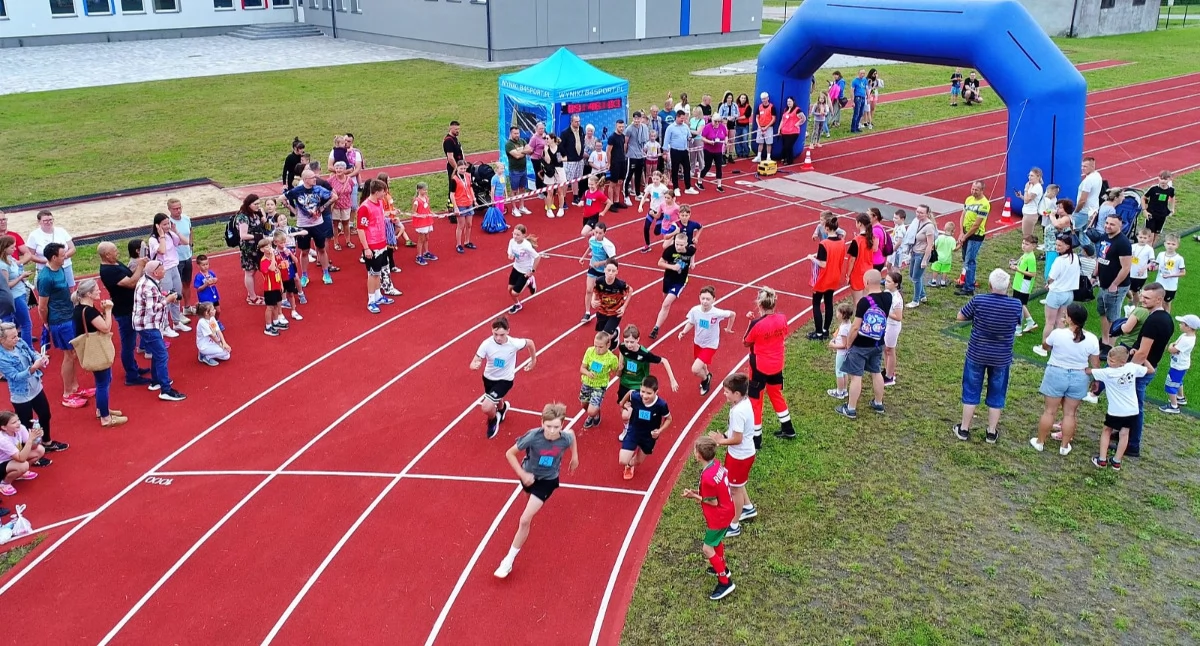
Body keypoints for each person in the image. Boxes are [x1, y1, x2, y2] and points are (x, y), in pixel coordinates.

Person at [494, 402, 578, 579]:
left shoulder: (565, 438)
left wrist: (575, 458)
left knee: (524, 520)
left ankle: (508, 561)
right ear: (542, 423)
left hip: (548, 481)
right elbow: (509, 453)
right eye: (549, 426)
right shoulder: (533, 437)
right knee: (528, 502)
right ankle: (530, 508)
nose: (553, 431)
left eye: (556, 427)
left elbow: (572, 436)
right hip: (529, 476)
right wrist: (522, 474)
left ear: (562, 425)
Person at [954, 269, 1023, 443]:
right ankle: (991, 432)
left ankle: (964, 429)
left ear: (990, 285)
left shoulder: (979, 300)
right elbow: (1017, 322)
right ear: (1007, 287)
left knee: (971, 389)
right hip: (1001, 357)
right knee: (997, 392)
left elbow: (960, 316)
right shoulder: (1016, 305)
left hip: (977, 352)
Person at [1030, 304, 1100, 455]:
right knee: (1070, 414)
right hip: (1079, 377)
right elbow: (1095, 365)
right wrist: (1095, 381)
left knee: (1049, 411)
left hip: (1056, 373)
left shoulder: (1058, 334)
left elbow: (1045, 346)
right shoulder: (1093, 339)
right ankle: (1064, 446)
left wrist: (1059, 329)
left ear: (1070, 318)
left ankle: (1040, 442)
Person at [680, 435, 736, 601]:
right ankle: (722, 567)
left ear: (699, 455)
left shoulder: (707, 478)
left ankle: (725, 582)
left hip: (719, 516)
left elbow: (712, 501)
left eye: (695, 450)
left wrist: (693, 496)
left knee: (707, 548)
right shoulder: (717, 465)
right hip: (728, 510)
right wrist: (697, 493)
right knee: (716, 542)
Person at [0, 323, 68, 453]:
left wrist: (40, 358)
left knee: (45, 414)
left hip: (35, 386)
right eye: (12, 337)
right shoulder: (2, 358)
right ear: (2, 340)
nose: (17, 338)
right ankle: (30, 454)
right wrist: (34, 367)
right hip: (21, 394)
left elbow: (32, 353)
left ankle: (47, 442)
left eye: (16, 335)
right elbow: (15, 376)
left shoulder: (19, 343)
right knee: (25, 426)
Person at [36, 243, 89, 408]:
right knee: (69, 355)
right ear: (53, 258)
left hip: (68, 316)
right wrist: (46, 322)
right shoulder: (45, 278)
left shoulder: (59, 269)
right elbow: (42, 306)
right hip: (59, 321)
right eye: (62, 254)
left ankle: (75, 387)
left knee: (73, 354)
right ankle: (67, 393)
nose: (65, 256)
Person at [741, 287, 797, 442]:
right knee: (776, 394)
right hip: (777, 364)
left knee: (756, 401)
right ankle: (788, 428)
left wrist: (750, 322)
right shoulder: (782, 318)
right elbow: (783, 333)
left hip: (759, 366)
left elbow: (746, 342)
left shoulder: (756, 324)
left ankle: (756, 438)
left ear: (759, 305)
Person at [707, 373, 757, 539]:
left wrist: (720, 441)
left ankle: (734, 525)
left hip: (740, 457)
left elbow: (737, 438)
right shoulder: (744, 403)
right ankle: (748, 508)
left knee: (734, 490)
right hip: (743, 454)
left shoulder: (737, 412)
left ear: (737, 394)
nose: (724, 394)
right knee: (738, 483)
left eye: (727, 391)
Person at [1127, 283, 1174, 457]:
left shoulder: (1154, 321)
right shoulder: (1166, 318)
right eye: (1142, 296)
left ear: (1159, 299)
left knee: (1135, 407)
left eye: (1147, 298)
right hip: (1151, 367)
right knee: (1134, 405)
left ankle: (1132, 444)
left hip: (1141, 371)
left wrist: (1129, 369)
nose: (1142, 300)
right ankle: (1126, 434)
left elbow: (1143, 352)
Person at [834, 270, 889, 421]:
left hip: (862, 345)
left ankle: (850, 408)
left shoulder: (864, 302)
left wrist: (849, 344)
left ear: (866, 283)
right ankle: (878, 403)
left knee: (856, 376)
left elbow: (855, 327)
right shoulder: (887, 297)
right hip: (878, 342)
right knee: (876, 372)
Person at [471, 316, 538, 439]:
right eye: (495, 334)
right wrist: (475, 364)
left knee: (486, 407)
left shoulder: (514, 343)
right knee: (496, 399)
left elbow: (530, 343)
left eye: (501, 334)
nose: (498, 338)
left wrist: (533, 360)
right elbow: (476, 359)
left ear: (508, 331)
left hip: (505, 380)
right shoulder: (486, 344)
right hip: (488, 378)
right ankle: (502, 409)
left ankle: (493, 419)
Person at [71, 279, 126, 428]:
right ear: (88, 293)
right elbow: (106, 328)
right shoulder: (89, 311)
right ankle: (105, 418)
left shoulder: (80, 309)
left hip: (91, 349)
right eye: (96, 290)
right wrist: (108, 311)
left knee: (103, 381)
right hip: (97, 350)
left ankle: (101, 409)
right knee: (103, 383)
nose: (99, 291)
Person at [1088, 346, 1151, 470]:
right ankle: (1116, 462)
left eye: (1112, 361)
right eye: (1108, 360)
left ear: (1122, 362)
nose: (1108, 363)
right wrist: (1142, 357)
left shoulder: (1107, 372)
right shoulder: (1132, 367)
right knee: (1124, 434)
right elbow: (1150, 370)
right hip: (1132, 410)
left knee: (1107, 431)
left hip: (1116, 410)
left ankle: (1102, 460)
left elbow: (1088, 371)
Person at [97, 241, 150, 386]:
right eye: (114, 251)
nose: (117, 252)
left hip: (129, 307)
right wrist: (140, 266)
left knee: (131, 342)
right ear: (107, 255)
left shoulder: (114, 264)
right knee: (128, 343)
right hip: (124, 310)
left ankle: (133, 368)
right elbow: (131, 282)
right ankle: (131, 375)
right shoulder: (108, 271)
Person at [133, 260, 186, 402]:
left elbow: (153, 299)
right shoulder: (148, 286)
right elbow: (152, 309)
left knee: (157, 353)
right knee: (162, 355)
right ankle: (165, 390)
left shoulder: (148, 280)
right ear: (155, 273)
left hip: (149, 325)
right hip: (149, 326)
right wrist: (167, 300)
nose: (165, 270)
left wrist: (166, 295)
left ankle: (156, 381)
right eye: (162, 269)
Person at [678, 286, 736, 395]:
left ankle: (705, 380)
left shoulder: (717, 313)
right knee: (703, 365)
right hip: (698, 342)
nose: (705, 301)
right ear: (699, 297)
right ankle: (708, 375)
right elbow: (691, 322)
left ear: (714, 299)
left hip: (711, 345)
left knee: (695, 369)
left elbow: (732, 314)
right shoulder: (695, 310)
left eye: (708, 299)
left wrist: (728, 328)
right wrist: (684, 332)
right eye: (703, 298)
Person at [286, 169, 335, 287]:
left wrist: (322, 208)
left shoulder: (318, 189)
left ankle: (326, 273)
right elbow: (283, 198)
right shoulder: (297, 191)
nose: (315, 179)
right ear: (305, 180)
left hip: (318, 224)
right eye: (312, 177)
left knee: (321, 249)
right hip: (303, 225)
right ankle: (304, 276)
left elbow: (334, 196)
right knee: (304, 251)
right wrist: (293, 210)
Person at [618, 376, 671, 480]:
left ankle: (630, 465)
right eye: (643, 391)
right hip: (634, 431)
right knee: (622, 460)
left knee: (637, 462)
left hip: (649, 436)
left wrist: (660, 431)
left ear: (656, 392)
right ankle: (626, 463)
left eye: (649, 393)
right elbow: (630, 392)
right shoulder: (636, 397)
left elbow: (669, 419)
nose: (645, 396)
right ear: (640, 388)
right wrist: (622, 404)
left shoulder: (661, 405)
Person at [1095, 214, 1133, 351]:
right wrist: (1095, 275)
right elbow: (1100, 258)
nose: (1108, 226)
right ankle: (1105, 340)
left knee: (1113, 317)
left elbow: (1126, 267)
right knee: (1103, 312)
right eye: (1107, 223)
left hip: (1116, 287)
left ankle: (1111, 346)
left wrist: (1115, 284)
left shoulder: (1123, 243)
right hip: (1103, 284)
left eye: (1112, 224)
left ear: (1120, 226)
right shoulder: (1105, 237)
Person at [147, 212, 189, 335]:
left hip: (174, 267)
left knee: (177, 295)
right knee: (166, 298)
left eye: (168, 223)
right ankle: (165, 326)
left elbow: (185, 242)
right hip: (163, 270)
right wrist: (162, 236)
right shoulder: (153, 240)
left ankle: (176, 322)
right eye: (164, 224)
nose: (167, 226)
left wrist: (175, 230)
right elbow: (162, 250)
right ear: (157, 226)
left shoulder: (170, 234)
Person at [357, 179, 396, 314]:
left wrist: (391, 216)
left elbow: (379, 217)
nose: (385, 194)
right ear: (377, 191)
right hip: (372, 245)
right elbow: (361, 229)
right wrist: (366, 248)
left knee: (379, 271)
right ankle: (371, 300)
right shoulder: (365, 207)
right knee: (373, 274)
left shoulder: (379, 203)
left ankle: (378, 296)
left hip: (382, 243)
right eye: (383, 192)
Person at [617, 325, 679, 407]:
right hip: (624, 383)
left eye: (632, 342)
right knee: (623, 407)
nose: (629, 345)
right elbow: (621, 357)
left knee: (632, 411)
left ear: (638, 339)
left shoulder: (645, 354)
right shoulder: (622, 347)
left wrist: (672, 380)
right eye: (626, 341)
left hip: (638, 385)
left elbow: (664, 361)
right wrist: (620, 366)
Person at [649, 232, 695, 341]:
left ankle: (656, 328)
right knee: (665, 300)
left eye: (681, 245)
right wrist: (672, 267)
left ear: (686, 244)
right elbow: (659, 263)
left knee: (665, 304)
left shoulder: (690, 250)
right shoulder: (669, 250)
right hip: (668, 279)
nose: (678, 247)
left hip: (679, 281)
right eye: (677, 244)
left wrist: (693, 262)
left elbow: (693, 252)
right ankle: (664, 311)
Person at [0, 411, 48, 498]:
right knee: (23, 465)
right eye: (14, 422)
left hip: (15, 458)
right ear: (4, 427)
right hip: (3, 463)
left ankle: (20, 474)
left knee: (40, 450)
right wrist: (30, 439)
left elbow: (33, 447)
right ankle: (4, 483)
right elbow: (21, 459)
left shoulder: (21, 428)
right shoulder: (2, 439)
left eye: (18, 420)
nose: (18, 423)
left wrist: (37, 438)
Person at [579, 331, 620, 429]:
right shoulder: (589, 351)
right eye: (595, 345)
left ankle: (593, 414)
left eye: (600, 347)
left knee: (591, 410)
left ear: (608, 344)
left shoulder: (612, 358)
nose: (597, 349)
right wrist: (588, 373)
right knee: (584, 404)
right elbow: (582, 368)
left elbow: (617, 371)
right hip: (587, 382)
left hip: (600, 385)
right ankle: (594, 413)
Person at [956, 181, 991, 296]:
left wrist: (965, 237)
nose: (973, 191)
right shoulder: (968, 199)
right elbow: (963, 215)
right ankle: (967, 280)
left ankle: (969, 287)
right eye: (972, 189)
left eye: (976, 190)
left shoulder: (984, 204)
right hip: (966, 232)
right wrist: (961, 232)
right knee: (965, 258)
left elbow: (976, 225)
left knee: (970, 260)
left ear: (982, 190)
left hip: (975, 236)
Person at [27, 210, 77, 287]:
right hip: (45, 269)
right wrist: (45, 261)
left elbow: (72, 248)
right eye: (45, 220)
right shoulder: (34, 235)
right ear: (39, 221)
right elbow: (30, 255)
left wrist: (63, 257)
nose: (49, 222)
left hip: (65, 266)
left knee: (70, 289)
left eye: (50, 220)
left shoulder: (61, 231)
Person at [1159, 313, 1196, 414]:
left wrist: (1171, 345)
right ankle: (1180, 397)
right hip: (1181, 364)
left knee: (1170, 384)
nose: (1180, 324)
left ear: (1188, 327)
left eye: (1182, 323)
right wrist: (1173, 346)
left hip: (1178, 366)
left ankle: (1173, 406)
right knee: (1178, 381)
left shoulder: (1187, 340)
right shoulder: (1185, 335)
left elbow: (1172, 349)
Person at [0, 237, 32, 346]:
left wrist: (21, 276)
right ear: (4, 248)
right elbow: (6, 285)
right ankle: (29, 350)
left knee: (18, 324)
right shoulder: (2, 265)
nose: (15, 249)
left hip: (20, 294)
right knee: (26, 324)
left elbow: (17, 268)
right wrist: (21, 277)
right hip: (15, 297)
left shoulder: (10, 259)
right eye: (12, 247)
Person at [592, 258, 631, 350]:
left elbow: (630, 291)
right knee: (600, 334)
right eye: (608, 270)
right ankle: (615, 333)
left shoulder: (620, 284)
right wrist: (592, 300)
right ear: (604, 270)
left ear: (617, 272)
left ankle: (607, 352)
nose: (610, 273)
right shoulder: (599, 281)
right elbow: (595, 291)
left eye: (613, 271)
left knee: (605, 337)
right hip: (602, 311)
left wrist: (624, 307)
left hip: (615, 313)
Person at [904, 205, 937, 309]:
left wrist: (924, 260)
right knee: (912, 275)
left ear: (927, 214)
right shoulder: (917, 221)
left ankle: (915, 300)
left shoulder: (929, 227)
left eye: (921, 213)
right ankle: (922, 295)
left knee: (916, 278)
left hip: (921, 254)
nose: (918, 214)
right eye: (917, 211)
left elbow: (930, 245)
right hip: (914, 252)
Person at [506, 224, 540, 315]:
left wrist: (532, 271)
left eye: (518, 235)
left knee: (515, 293)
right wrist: (510, 254)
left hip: (525, 270)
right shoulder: (512, 241)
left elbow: (537, 257)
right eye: (514, 234)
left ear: (524, 236)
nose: (515, 236)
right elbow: (510, 250)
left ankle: (529, 281)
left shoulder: (526, 246)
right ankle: (518, 305)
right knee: (509, 289)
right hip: (516, 267)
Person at [1010, 235, 1040, 335]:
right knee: (1021, 305)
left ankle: (1018, 328)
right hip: (1019, 284)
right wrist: (1015, 263)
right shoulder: (1025, 255)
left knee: (1019, 306)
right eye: (1023, 243)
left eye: (1026, 244)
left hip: (1024, 285)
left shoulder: (1031, 258)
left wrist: (1017, 269)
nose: (1023, 246)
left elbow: (1033, 274)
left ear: (1034, 246)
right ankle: (1029, 322)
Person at [844, 214, 876, 305]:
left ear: (860, 224)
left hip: (858, 273)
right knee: (866, 299)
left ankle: (858, 319)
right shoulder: (871, 237)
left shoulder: (856, 240)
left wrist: (848, 275)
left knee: (857, 302)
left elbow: (852, 260)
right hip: (869, 270)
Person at [826, 302, 855, 400]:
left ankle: (839, 392)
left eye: (838, 312)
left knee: (839, 372)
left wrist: (833, 345)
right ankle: (844, 390)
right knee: (844, 371)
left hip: (842, 354)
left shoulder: (843, 329)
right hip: (846, 354)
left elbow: (844, 345)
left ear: (842, 315)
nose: (836, 314)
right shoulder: (847, 324)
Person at [258, 240, 288, 337]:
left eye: (270, 246)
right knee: (270, 307)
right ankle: (268, 327)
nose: (269, 248)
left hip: (276, 286)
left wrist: (281, 285)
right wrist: (273, 257)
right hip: (269, 288)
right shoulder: (263, 261)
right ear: (262, 250)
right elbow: (270, 268)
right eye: (266, 247)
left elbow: (277, 271)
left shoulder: (272, 259)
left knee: (276, 306)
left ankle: (275, 322)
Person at [664, 111, 696, 195]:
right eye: (681, 118)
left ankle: (688, 187)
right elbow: (666, 140)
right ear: (677, 117)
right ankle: (676, 188)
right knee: (675, 169)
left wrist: (690, 139)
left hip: (684, 150)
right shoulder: (670, 128)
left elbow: (689, 136)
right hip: (675, 151)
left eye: (684, 118)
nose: (683, 120)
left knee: (687, 169)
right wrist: (664, 151)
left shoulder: (685, 126)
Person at [1153, 233, 1186, 312]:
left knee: (1166, 303)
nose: (1170, 246)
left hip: (1170, 286)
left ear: (1177, 245)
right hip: (1159, 283)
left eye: (1173, 244)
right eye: (1168, 243)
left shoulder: (1179, 258)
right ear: (1164, 244)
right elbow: (1157, 266)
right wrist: (1153, 267)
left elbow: (1183, 272)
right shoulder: (1161, 255)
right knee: (1157, 302)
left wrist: (1171, 275)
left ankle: (1166, 318)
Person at [882, 271, 904, 386]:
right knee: (886, 349)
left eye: (889, 281)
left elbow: (899, 317)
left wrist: (886, 312)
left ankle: (890, 376)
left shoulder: (897, 299)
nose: (886, 283)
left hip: (892, 326)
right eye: (886, 280)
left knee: (890, 350)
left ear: (896, 284)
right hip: (887, 324)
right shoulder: (887, 292)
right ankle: (887, 370)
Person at [504, 126, 533, 215]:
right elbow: (516, 156)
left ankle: (521, 206)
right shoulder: (509, 144)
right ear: (511, 134)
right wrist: (525, 151)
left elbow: (530, 150)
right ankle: (514, 208)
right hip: (514, 171)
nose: (517, 135)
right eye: (515, 133)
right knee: (514, 190)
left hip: (523, 169)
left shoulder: (522, 141)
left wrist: (522, 152)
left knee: (522, 188)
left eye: (518, 133)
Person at [1143, 171, 1176, 247]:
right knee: (1150, 237)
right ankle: (1147, 251)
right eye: (1161, 179)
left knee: (1156, 235)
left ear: (1169, 180)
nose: (1163, 181)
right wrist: (1144, 210)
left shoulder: (1171, 190)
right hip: (1151, 214)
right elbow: (1144, 197)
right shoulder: (1154, 189)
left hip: (1162, 215)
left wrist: (1172, 208)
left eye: (1165, 179)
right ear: (1158, 178)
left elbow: (1172, 197)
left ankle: (1151, 251)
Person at [409, 182, 438, 266]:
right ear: (418, 190)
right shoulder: (416, 201)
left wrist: (433, 213)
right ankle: (419, 256)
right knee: (421, 239)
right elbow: (413, 212)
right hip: (421, 223)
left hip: (428, 221)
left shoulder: (426, 198)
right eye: (424, 190)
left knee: (427, 237)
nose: (425, 191)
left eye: (426, 189)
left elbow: (428, 209)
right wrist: (420, 216)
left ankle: (426, 252)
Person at [451, 161, 477, 254]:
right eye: (461, 168)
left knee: (469, 224)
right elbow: (452, 194)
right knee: (461, 226)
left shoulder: (468, 176)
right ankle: (458, 244)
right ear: (457, 168)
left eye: (464, 168)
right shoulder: (454, 179)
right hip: (460, 204)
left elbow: (470, 188)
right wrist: (455, 207)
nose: (463, 170)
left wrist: (474, 199)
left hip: (469, 203)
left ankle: (467, 241)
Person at [195, 302, 230, 367]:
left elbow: (218, 331)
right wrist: (221, 345)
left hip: (211, 342)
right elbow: (213, 336)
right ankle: (206, 357)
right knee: (225, 352)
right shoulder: (202, 322)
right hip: (204, 345)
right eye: (213, 309)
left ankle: (206, 354)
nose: (215, 310)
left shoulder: (212, 318)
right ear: (206, 313)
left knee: (227, 356)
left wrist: (224, 343)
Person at [1015, 168, 1045, 240]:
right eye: (1029, 175)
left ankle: (1029, 250)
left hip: (1030, 215)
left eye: (1032, 176)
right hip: (1027, 213)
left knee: (1027, 237)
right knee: (1026, 236)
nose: (1029, 177)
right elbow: (1028, 200)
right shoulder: (1032, 185)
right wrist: (1021, 196)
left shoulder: (1037, 187)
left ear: (1038, 177)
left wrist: (1026, 189)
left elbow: (1026, 201)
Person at [1076, 157, 1104, 234]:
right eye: (1082, 166)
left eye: (1085, 166)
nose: (1082, 168)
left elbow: (1083, 200)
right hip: (1093, 209)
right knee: (1086, 234)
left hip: (1084, 211)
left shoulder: (1088, 181)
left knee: (1072, 230)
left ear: (1092, 166)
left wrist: (1076, 211)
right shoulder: (1098, 175)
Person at [443, 121, 465, 209]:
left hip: (459, 167)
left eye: (458, 129)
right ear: (450, 128)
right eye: (456, 129)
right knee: (453, 188)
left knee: (459, 187)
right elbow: (450, 157)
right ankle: (451, 209)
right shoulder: (448, 141)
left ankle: (458, 206)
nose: (458, 131)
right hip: (454, 168)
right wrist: (456, 169)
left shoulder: (455, 138)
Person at [753, 92, 776, 163]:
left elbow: (773, 118)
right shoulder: (759, 107)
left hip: (768, 127)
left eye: (765, 98)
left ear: (768, 98)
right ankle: (759, 156)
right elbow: (757, 117)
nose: (764, 100)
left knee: (769, 143)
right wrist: (759, 126)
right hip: (760, 127)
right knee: (760, 142)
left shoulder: (772, 107)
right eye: (762, 99)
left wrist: (766, 127)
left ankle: (768, 157)